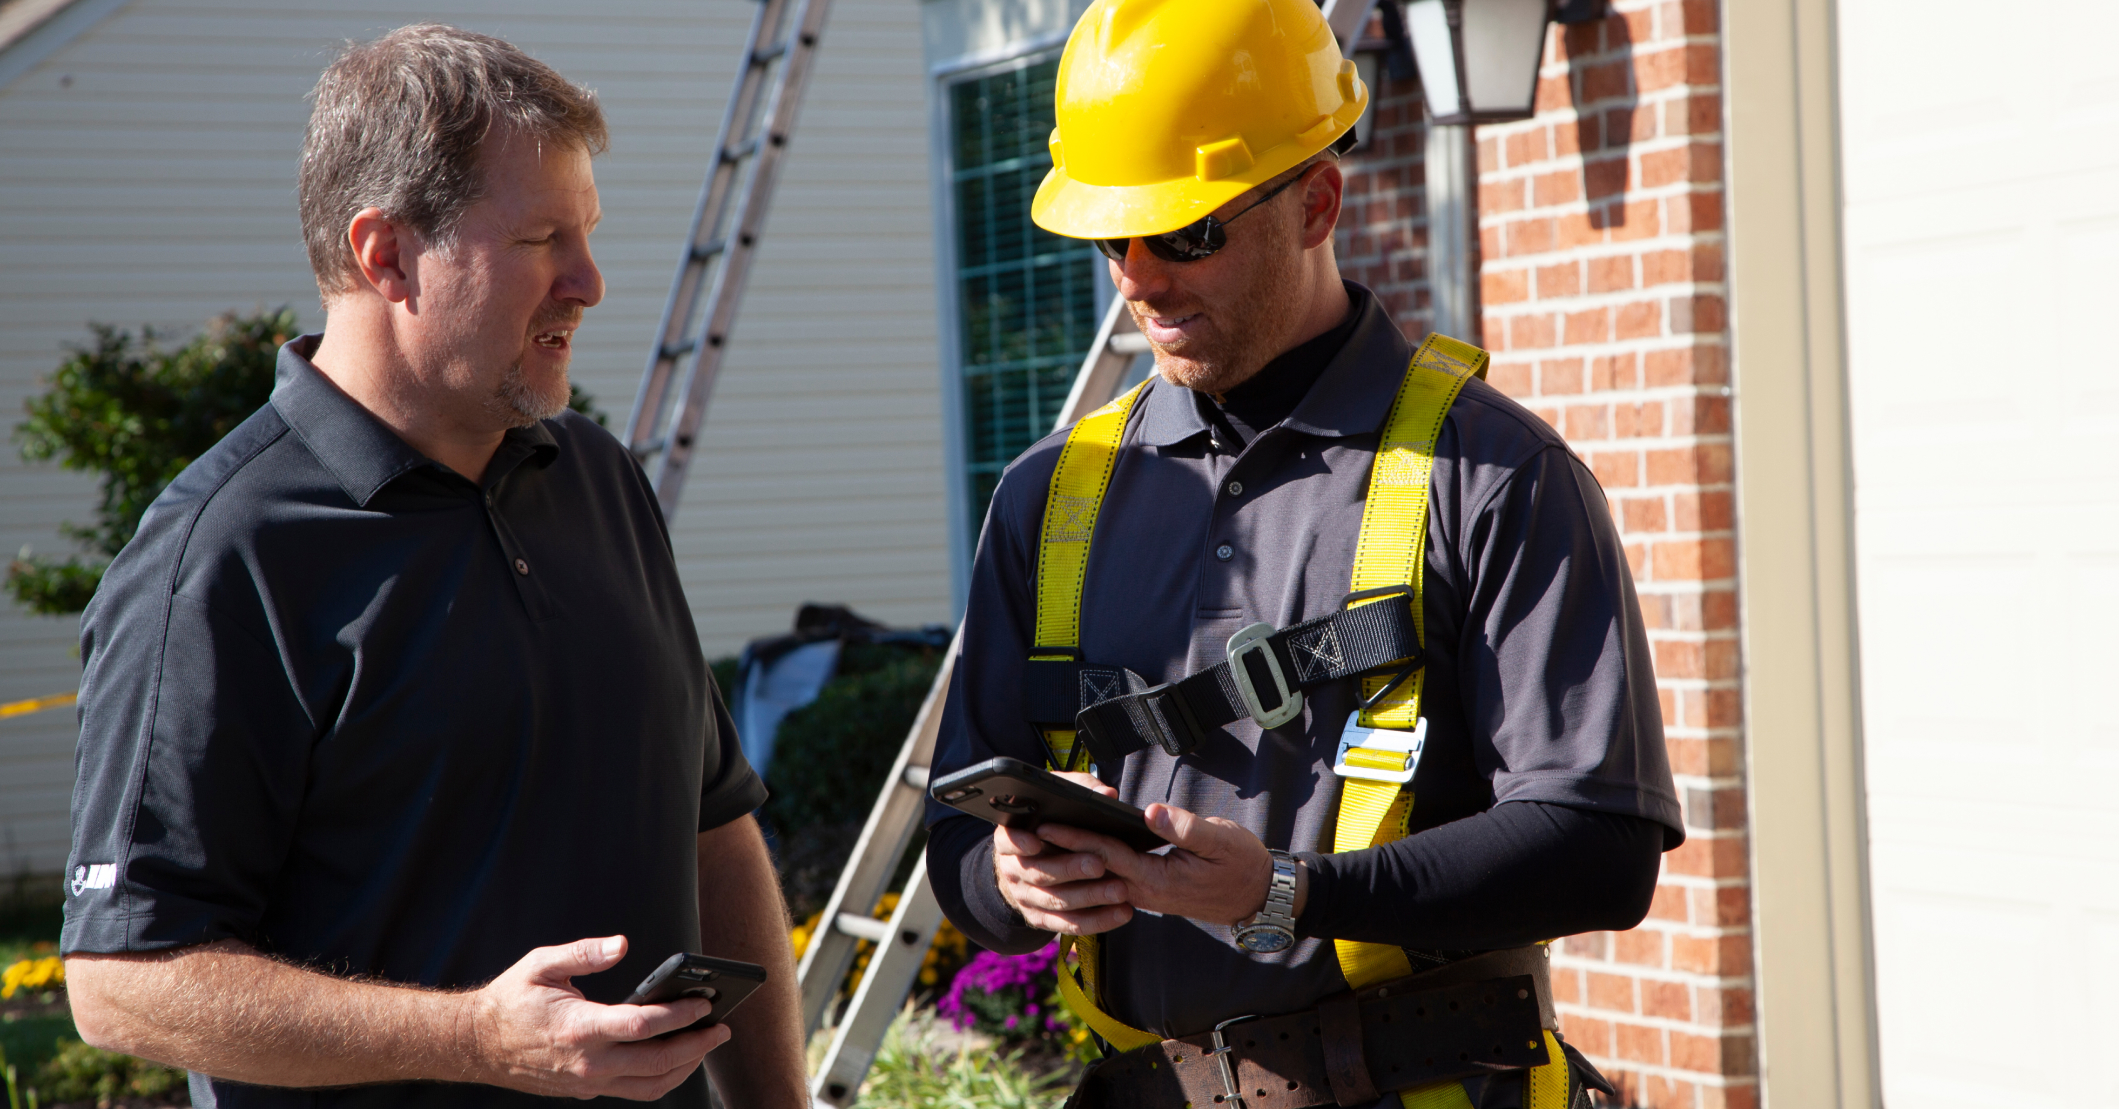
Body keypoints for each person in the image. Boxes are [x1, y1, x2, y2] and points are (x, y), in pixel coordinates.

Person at [924, 0, 1683, 1105]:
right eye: (1110, 239)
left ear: (1317, 201)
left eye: (1186, 235)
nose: (1138, 279)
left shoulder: (1492, 471)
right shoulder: (1050, 497)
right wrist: (1007, 881)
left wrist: (1291, 892)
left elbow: (1601, 846)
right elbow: (957, 828)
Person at [58, 25, 805, 1108]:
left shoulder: (598, 477)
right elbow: (122, 981)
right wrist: (478, 1038)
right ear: (387, 254)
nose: (589, 282)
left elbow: (711, 829)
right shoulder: (220, 558)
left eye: (588, 235)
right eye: (544, 238)